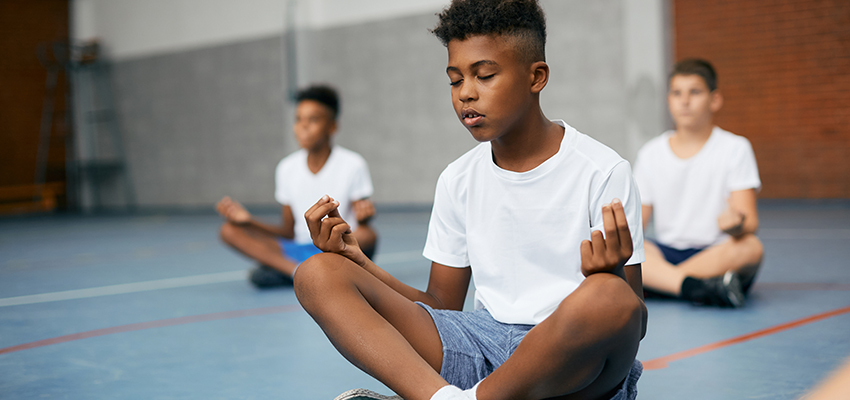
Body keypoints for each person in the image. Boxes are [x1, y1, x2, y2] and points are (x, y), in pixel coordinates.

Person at [294, 1, 646, 400]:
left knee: (609, 298)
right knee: (317, 274)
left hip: (569, 365)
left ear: (537, 77)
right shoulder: (458, 179)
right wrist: (361, 264)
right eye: (454, 79)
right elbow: (440, 305)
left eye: (485, 75)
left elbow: (634, 319)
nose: (466, 93)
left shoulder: (602, 171)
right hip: (480, 343)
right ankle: (445, 398)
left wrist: (611, 274)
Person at [217, 85, 377, 287]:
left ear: (332, 126)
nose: (303, 126)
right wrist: (248, 222)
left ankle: (290, 270)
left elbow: (361, 223)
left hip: (334, 247)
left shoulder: (353, 164)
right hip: (297, 250)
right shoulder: (286, 168)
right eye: (298, 119)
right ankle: (297, 272)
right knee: (229, 231)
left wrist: (366, 219)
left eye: (313, 120)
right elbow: (288, 231)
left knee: (368, 235)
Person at [633, 58, 763, 307]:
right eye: (676, 93)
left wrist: (736, 225)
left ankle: (664, 285)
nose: (684, 101)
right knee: (632, 251)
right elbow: (637, 227)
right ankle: (698, 287)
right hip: (666, 252)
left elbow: (750, 222)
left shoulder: (735, 148)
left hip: (715, 253)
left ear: (714, 100)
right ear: (669, 100)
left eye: (694, 92)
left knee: (751, 247)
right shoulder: (651, 153)